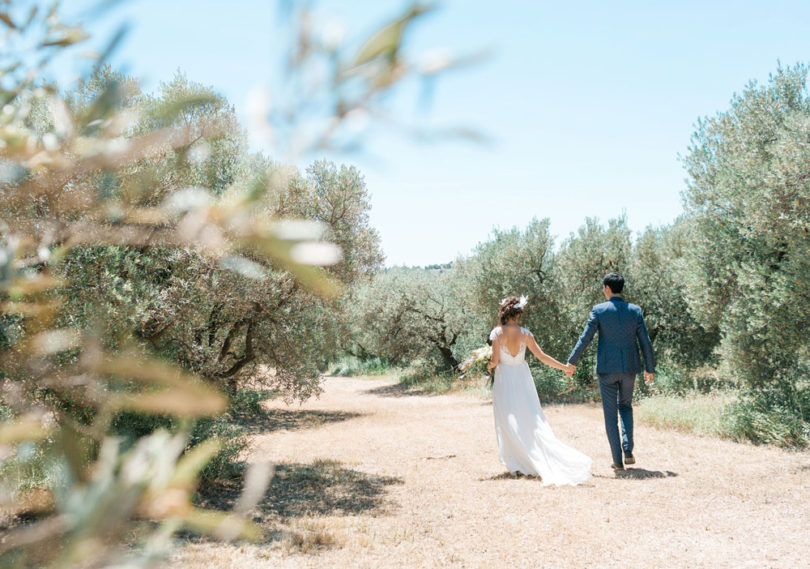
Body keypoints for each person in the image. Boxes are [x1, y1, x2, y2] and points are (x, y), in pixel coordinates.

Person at [486, 296, 592, 486]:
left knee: (508, 419)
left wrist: (487, 365)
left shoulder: (496, 333)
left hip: (504, 380)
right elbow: (542, 357)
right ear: (518, 313)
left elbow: (494, 361)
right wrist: (565, 367)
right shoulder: (526, 334)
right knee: (529, 417)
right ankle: (527, 457)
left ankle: (518, 462)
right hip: (521, 379)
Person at [566, 272, 655, 471]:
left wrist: (571, 362)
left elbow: (585, 338)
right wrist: (650, 368)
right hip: (630, 369)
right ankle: (628, 449)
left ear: (607, 288)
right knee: (626, 406)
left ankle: (617, 460)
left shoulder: (599, 310)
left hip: (606, 370)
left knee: (610, 414)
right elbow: (645, 342)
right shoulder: (635, 310)